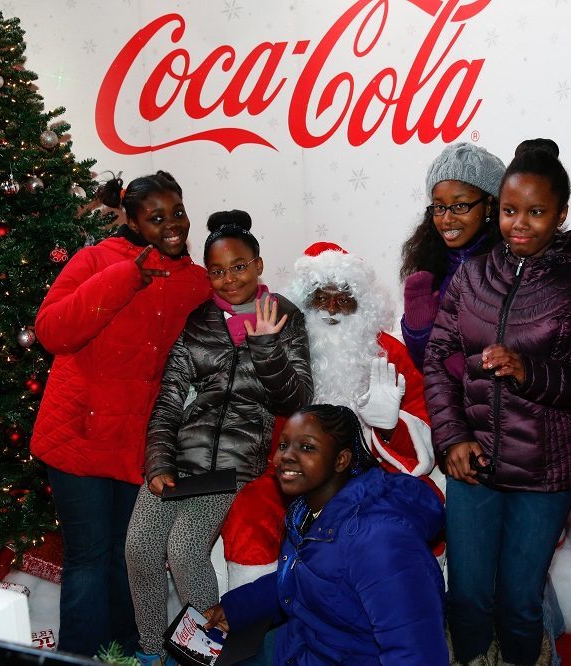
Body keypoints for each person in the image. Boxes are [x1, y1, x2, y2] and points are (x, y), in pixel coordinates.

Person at [424, 139, 571, 666]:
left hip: (544, 473)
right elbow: (440, 359)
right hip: (474, 468)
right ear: (497, 208)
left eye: (536, 212)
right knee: (465, 599)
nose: (520, 224)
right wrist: (451, 439)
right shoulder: (472, 276)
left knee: (518, 604)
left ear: (560, 213)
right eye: (511, 210)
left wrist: (528, 370)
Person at [30, 171, 211, 658]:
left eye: (177, 214)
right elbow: (51, 331)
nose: (171, 225)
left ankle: (125, 652)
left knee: (129, 558)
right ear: (130, 221)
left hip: (139, 444)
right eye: (155, 218)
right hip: (78, 436)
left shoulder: (193, 280)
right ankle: (80, 657)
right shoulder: (94, 261)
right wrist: (126, 275)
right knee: (89, 557)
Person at [125, 210, 313, 666]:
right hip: (181, 458)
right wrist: (158, 463)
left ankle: (204, 657)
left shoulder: (284, 316)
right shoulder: (199, 321)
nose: (229, 280)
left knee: (186, 551)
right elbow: (169, 397)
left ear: (259, 264)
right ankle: (153, 653)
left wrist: (266, 346)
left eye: (239, 267)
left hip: (234, 466)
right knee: (139, 548)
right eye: (217, 271)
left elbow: (297, 398)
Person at [220, 241, 441, 593]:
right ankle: (254, 620)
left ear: (363, 306)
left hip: (373, 473)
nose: (332, 309)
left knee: (418, 507)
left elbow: (426, 428)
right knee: (251, 510)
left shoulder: (389, 352)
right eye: (320, 298)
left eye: (344, 299)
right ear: (304, 304)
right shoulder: (282, 349)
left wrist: (389, 427)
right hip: (291, 474)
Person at [204, 404, 448, 665]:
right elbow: (304, 579)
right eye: (284, 445)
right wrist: (236, 609)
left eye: (307, 447)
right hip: (302, 643)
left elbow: (417, 654)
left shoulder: (379, 542)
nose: (285, 456)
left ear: (341, 460)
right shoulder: (307, 512)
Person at [400, 142, 506, 371]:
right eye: (439, 207)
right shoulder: (430, 267)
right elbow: (424, 364)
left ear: (489, 206)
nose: (446, 219)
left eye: (459, 206)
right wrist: (417, 328)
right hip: (447, 404)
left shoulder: (511, 265)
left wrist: (465, 366)